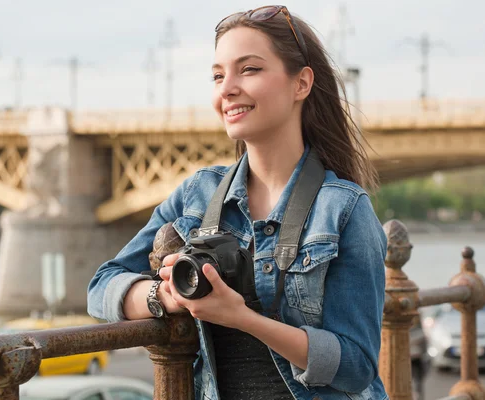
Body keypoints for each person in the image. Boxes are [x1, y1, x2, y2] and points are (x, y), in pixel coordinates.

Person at [88, 5, 388, 400]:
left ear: (301, 83)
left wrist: (242, 318)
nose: (227, 88)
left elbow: (356, 366)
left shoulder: (343, 210)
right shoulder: (198, 195)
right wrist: (165, 296)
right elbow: (100, 288)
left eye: (249, 69)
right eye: (217, 75)